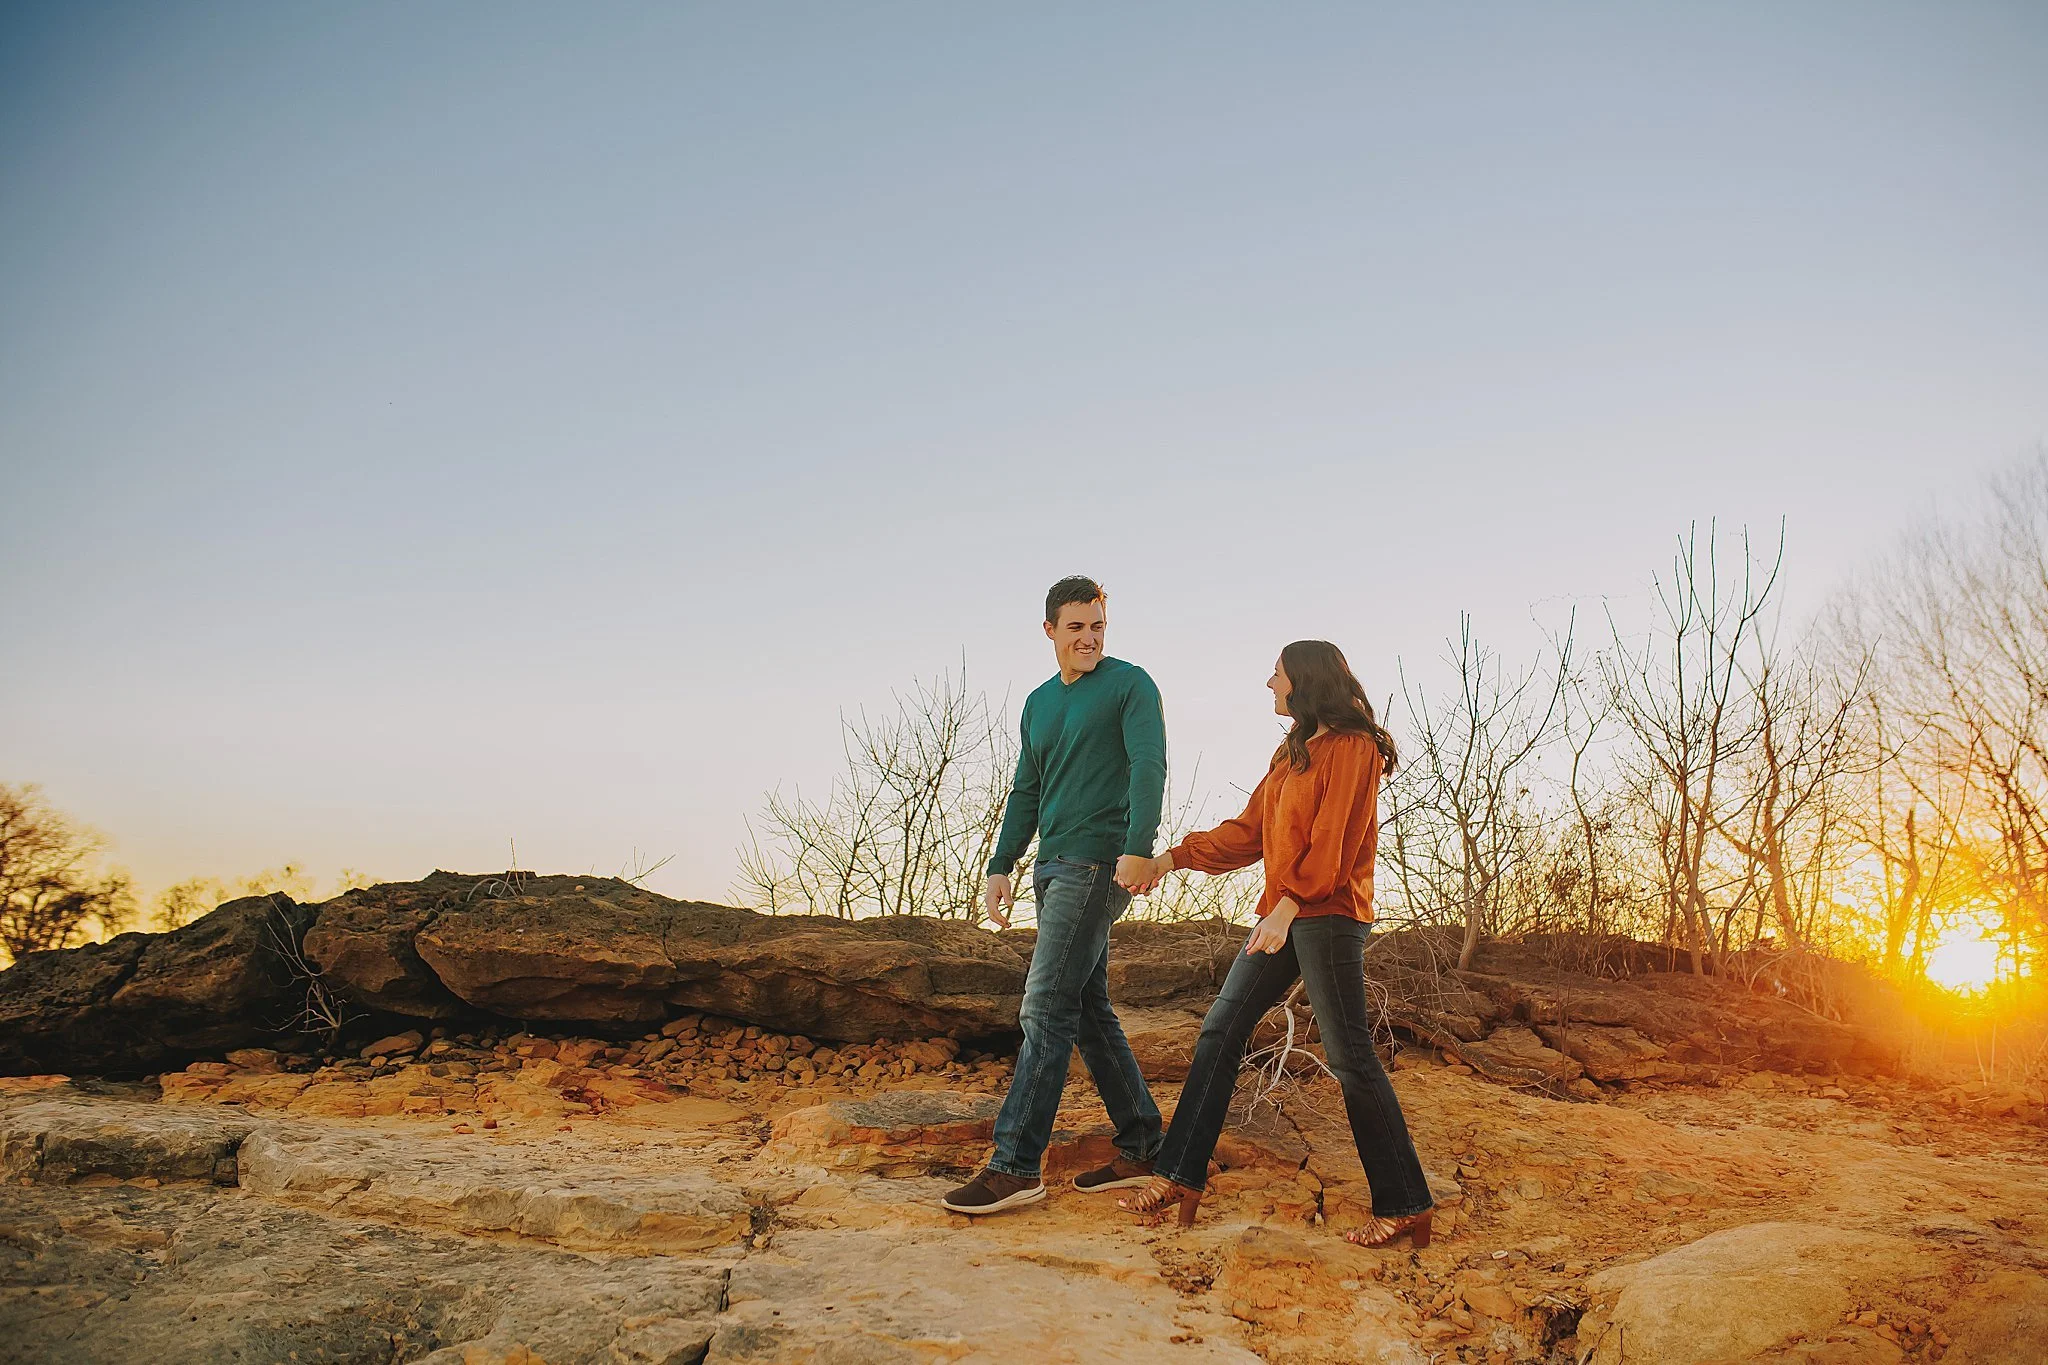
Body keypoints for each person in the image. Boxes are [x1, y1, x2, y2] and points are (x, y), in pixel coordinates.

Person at [1118, 640, 1436, 1248]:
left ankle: (1405, 1204)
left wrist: (1290, 906)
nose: (1270, 684)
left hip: (1328, 914)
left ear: (1306, 681)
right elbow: (1248, 833)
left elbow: (1335, 841)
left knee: (1348, 1055)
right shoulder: (1291, 753)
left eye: (1278, 674)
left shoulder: (1355, 747)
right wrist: (1170, 860)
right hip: (1282, 913)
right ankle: (1179, 1175)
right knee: (1220, 1030)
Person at [940, 576, 1169, 1216]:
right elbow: (1027, 788)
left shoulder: (1130, 685)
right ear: (1050, 631)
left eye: (1097, 626)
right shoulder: (1039, 703)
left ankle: (1015, 1166)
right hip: (1050, 867)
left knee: (1044, 1006)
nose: (1089, 638)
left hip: (1098, 863)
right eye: (1076, 628)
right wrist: (1001, 861)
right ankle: (1144, 1144)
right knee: (1088, 1010)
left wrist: (1139, 846)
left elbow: (1149, 764)